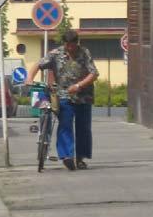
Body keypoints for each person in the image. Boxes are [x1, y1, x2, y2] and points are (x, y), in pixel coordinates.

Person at [25, 30, 99, 171]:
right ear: (64, 44)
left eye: (72, 45)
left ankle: (81, 158)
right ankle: (67, 157)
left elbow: (94, 73)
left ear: (77, 43)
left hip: (84, 96)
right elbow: (38, 65)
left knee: (83, 128)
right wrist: (29, 78)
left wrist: (78, 85)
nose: (70, 48)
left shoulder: (84, 53)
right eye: (67, 45)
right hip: (64, 95)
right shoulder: (56, 54)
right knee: (65, 124)